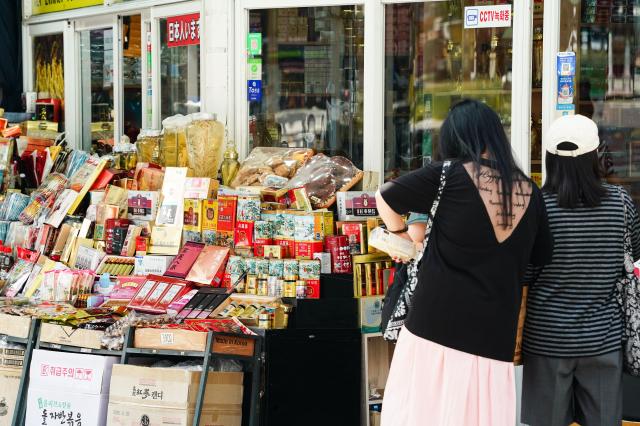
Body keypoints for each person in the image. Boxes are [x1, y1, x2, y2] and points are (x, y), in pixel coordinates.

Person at [375, 99, 552, 426]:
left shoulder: (448, 173)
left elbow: (384, 195)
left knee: (421, 413)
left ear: (454, 138)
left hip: (434, 323)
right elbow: (541, 257)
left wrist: (399, 235)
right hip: (494, 333)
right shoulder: (529, 190)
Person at [521, 114, 640, 426]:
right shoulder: (620, 203)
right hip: (603, 338)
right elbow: (632, 258)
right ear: (595, 157)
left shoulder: (537, 207)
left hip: (547, 339)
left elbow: (525, 273)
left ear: (549, 159)